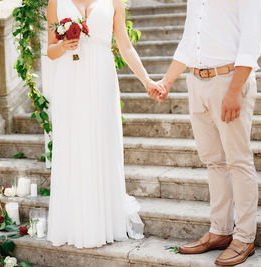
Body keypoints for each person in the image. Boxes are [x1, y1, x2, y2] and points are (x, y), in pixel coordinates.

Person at [149, 0, 261, 265]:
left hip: (229, 81)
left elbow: (252, 39)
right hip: (196, 81)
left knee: (238, 161)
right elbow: (190, 38)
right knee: (214, 162)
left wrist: (235, 89)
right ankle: (220, 231)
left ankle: (245, 237)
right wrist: (167, 80)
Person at [45, 0, 164, 248]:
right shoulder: (55, 1)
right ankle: (75, 222)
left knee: (101, 143)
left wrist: (147, 80)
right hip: (69, 79)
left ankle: (102, 221)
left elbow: (125, 46)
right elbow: (50, 50)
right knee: (73, 146)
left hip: (101, 77)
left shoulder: (113, 1)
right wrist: (64, 46)